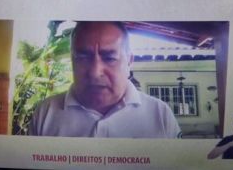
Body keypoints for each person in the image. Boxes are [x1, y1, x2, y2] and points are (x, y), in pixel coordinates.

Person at [28, 21, 181, 138]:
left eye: (109, 58)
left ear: (129, 61)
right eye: (83, 58)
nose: (95, 72)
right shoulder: (46, 113)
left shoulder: (160, 115)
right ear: (72, 60)